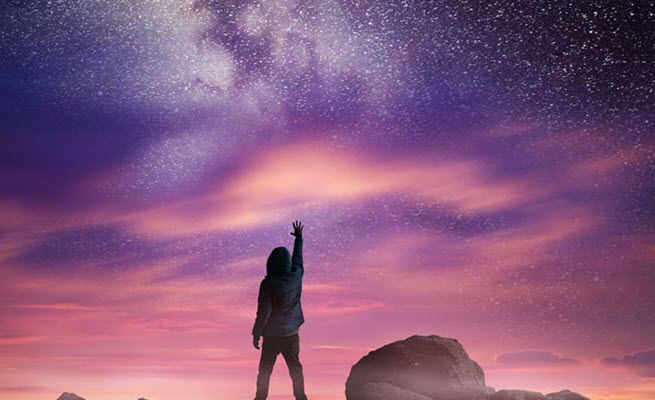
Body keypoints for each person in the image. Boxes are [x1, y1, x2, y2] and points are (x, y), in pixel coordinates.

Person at [252, 220, 308, 400]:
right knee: (295, 369)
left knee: (265, 372)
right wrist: (299, 238)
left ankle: (260, 399)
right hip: (292, 334)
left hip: (272, 337)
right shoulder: (296, 275)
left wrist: (256, 333)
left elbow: (264, 313)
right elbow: (298, 258)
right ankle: (301, 398)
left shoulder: (268, 284)